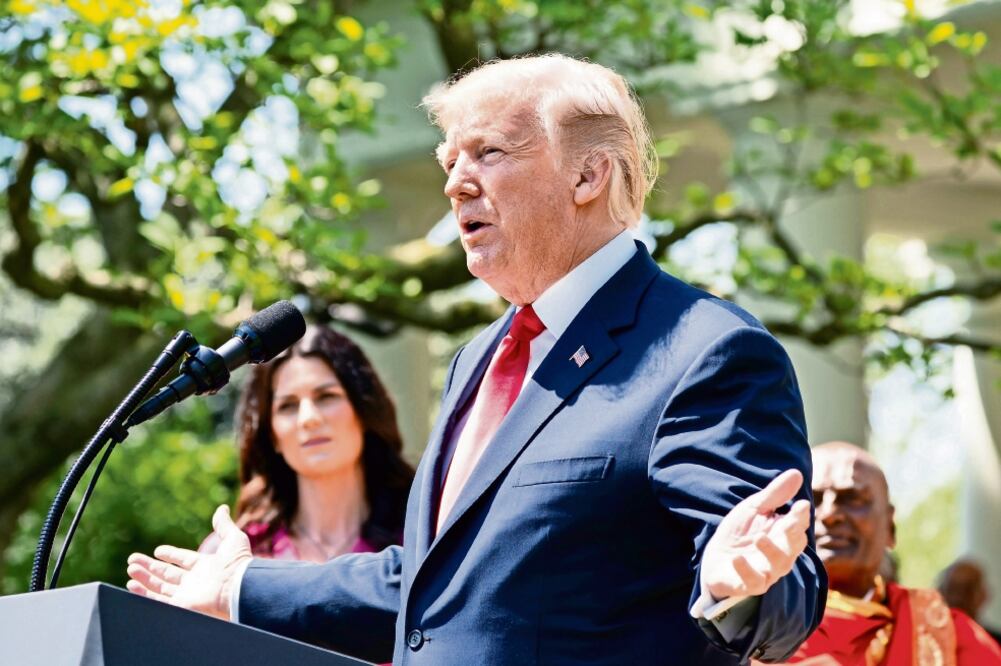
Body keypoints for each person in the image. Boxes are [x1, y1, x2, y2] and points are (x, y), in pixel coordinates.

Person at [126, 54, 825, 665]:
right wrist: (237, 588)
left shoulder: (703, 350)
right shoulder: (477, 361)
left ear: (588, 174)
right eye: (448, 161)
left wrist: (737, 586)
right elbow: (433, 591)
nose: (455, 183)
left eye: (487, 153)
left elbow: (779, 584)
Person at [199, 325, 415, 562]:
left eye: (327, 397)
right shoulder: (232, 555)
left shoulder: (420, 542)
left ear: (363, 411)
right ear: (272, 434)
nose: (309, 418)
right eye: (288, 406)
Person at [776, 441, 1001, 665]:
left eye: (852, 499)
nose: (830, 514)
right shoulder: (754, 621)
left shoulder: (944, 632)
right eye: (813, 499)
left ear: (890, 528)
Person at [939, 559, 1001, 647]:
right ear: (939, 592)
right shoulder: (925, 641)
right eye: (952, 590)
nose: (958, 598)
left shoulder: (996, 645)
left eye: (967, 590)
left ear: (983, 595)